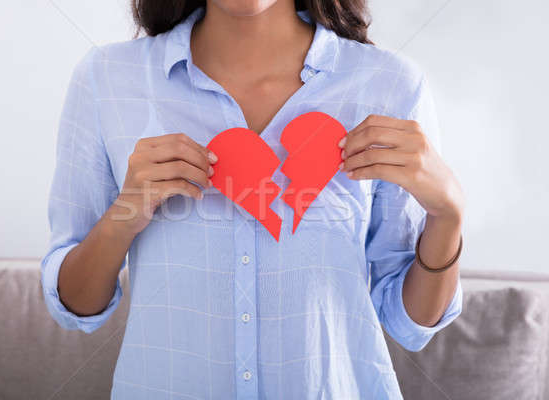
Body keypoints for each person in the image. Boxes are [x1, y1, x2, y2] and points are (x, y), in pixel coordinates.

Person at [41, 0, 465, 398]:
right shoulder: (107, 79)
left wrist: (446, 216)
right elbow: (76, 306)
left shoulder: (391, 85)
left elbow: (411, 324)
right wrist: (126, 213)